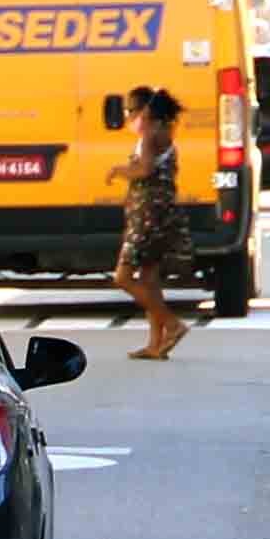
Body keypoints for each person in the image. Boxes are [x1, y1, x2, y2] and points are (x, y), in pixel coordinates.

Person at [109, 85, 191, 361]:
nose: (129, 117)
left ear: (145, 111)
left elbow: (144, 169)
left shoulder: (147, 137)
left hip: (147, 217)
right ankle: (155, 344)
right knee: (149, 278)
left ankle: (172, 324)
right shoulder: (165, 135)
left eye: (131, 111)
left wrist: (118, 171)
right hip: (162, 215)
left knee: (123, 277)